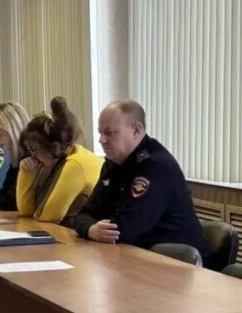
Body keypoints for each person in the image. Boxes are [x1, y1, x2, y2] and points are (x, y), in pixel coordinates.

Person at [73, 99, 210, 262]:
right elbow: (84, 214)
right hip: (137, 257)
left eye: (109, 133)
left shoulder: (156, 166)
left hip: (180, 265)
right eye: (100, 133)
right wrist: (90, 229)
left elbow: (125, 229)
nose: (101, 140)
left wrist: (95, 228)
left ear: (136, 130)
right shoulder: (113, 164)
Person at [17, 97, 103, 225]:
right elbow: (26, 212)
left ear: (54, 147)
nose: (32, 156)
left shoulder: (75, 163)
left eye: (34, 149)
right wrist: (26, 173)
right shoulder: (54, 161)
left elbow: (47, 216)